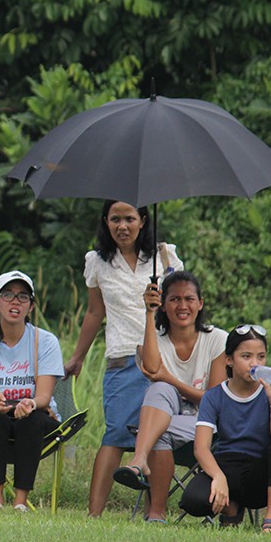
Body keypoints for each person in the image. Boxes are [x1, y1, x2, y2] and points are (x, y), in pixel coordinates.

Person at [64, 201, 183, 517]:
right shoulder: (98, 261)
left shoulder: (165, 257)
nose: (123, 226)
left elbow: (182, 307)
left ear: (143, 220)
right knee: (116, 433)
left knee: (157, 437)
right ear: (105, 221)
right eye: (115, 219)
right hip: (121, 357)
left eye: (130, 218)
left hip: (161, 358)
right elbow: (94, 312)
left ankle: (155, 513)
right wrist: (77, 357)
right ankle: (94, 515)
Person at [113, 270, 228, 522]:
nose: (182, 305)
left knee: (158, 418)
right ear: (163, 305)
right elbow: (153, 371)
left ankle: (149, 492)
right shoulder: (155, 340)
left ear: (201, 303)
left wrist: (170, 378)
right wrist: (148, 313)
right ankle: (145, 476)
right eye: (174, 299)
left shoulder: (218, 340)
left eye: (189, 298)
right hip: (167, 420)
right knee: (159, 390)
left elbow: (214, 400)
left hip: (208, 425)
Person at [0, 271, 64, 512]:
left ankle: (20, 501)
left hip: (35, 412)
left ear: (31, 306)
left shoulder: (46, 341)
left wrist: (29, 404)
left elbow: (44, 397)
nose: (15, 301)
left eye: (23, 296)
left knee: (33, 419)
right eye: (7, 295)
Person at [180, 325, 271, 532]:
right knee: (193, 500)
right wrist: (218, 477)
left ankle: (270, 521)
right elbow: (201, 448)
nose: (255, 363)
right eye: (246, 356)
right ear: (229, 360)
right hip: (226, 464)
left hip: (259, 472)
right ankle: (231, 508)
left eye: (261, 357)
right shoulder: (213, 396)